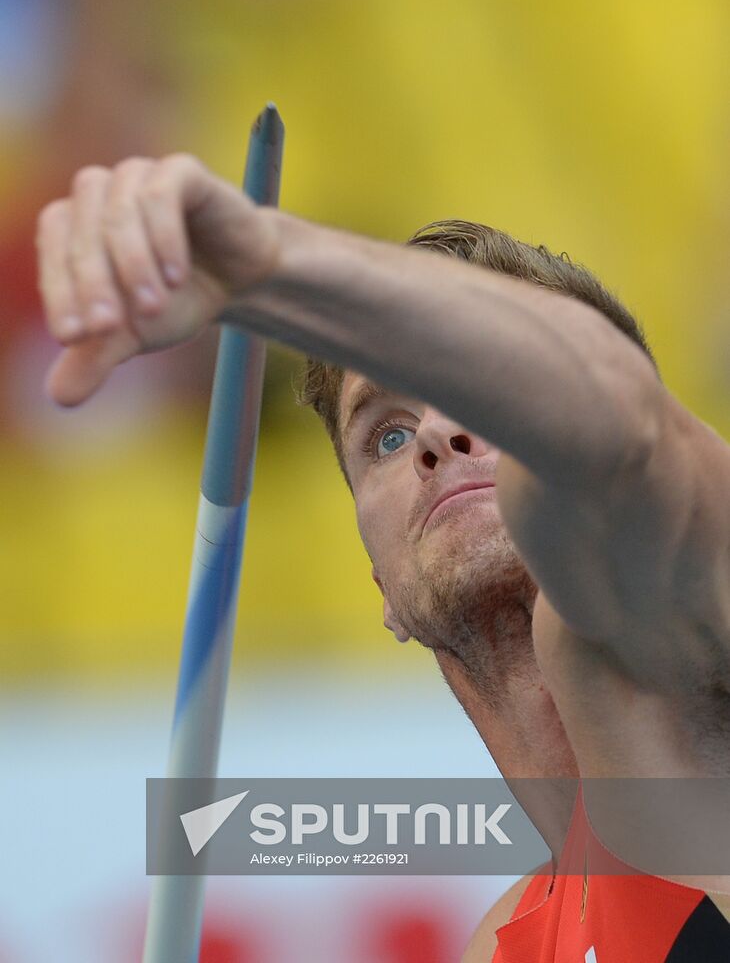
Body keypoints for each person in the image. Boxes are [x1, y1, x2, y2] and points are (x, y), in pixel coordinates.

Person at [36, 154, 730, 961]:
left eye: (490, 393)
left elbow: (616, 431)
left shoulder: (691, 697)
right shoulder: (502, 942)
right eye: (388, 436)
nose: (435, 434)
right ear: (383, 588)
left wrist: (272, 265)